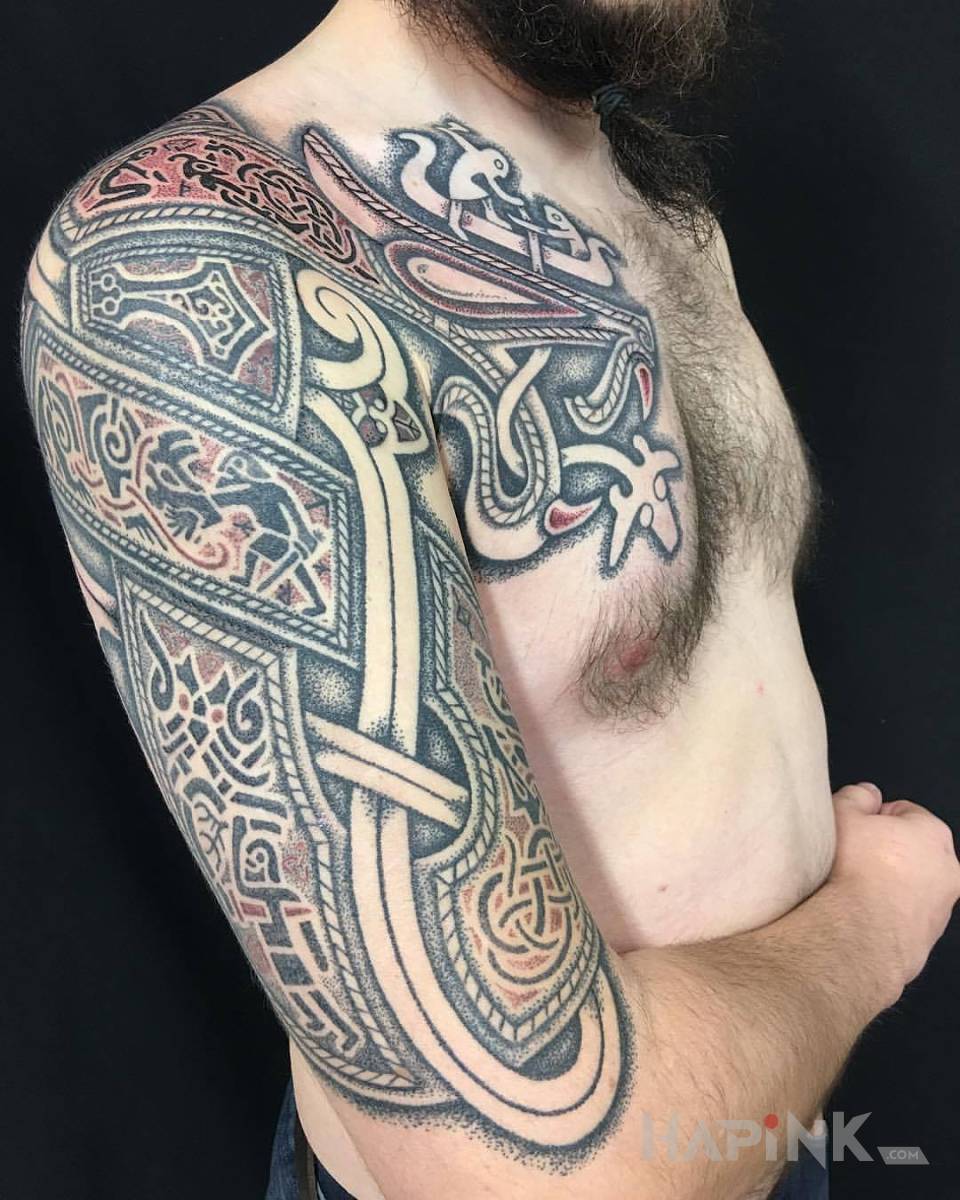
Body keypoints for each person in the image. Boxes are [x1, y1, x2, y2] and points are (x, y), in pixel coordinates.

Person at [20, 1, 960, 1197]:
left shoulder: (637, 180)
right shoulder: (187, 267)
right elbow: (533, 1163)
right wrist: (872, 926)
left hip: (767, 1124)